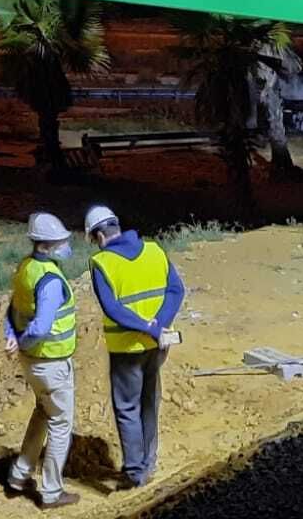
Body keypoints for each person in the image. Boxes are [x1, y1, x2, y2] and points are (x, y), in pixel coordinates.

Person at [84, 205, 185, 490]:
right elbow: (176, 290)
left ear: (99, 236)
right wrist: (159, 325)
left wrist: (148, 327)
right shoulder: (155, 251)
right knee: (149, 400)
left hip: (126, 349)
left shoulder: (102, 263)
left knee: (128, 408)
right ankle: (149, 462)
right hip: (157, 345)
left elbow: (112, 308)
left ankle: (135, 473)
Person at [4, 212, 80, 509]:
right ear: (46, 245)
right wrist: (21, 341)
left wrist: (12, 338)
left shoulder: (26, 268)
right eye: (61, 241)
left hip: (31, 362)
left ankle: (18, 475)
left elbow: (13, 310)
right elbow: (41, 326)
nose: (66, 245)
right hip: (51, 362)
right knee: (60, 424)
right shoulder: (49, 280)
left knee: (42, 412)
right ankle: (51, 492)